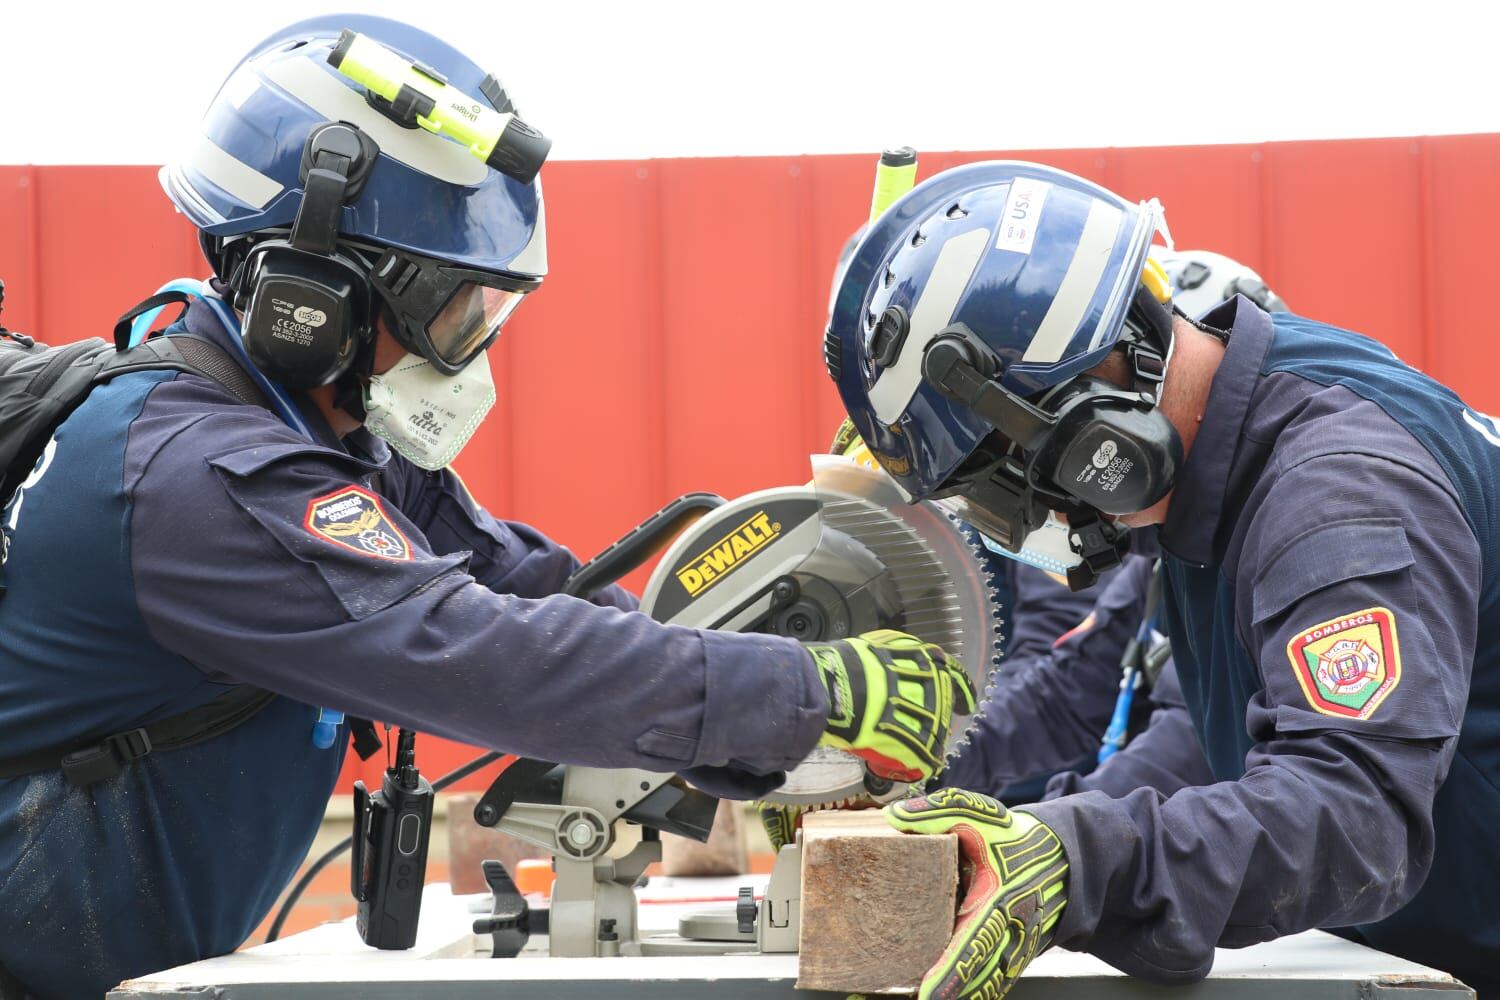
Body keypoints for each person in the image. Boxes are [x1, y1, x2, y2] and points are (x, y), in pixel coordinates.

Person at [0, 18, 975, 999]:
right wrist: (807, 692)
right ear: (312, 294)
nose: (466, 358)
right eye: (457, 315)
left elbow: (532, 589)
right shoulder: (200, 478)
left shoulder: (310, 430)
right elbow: (484, 653)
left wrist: (758, 742)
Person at [827, 160, 1498, 998]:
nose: (1018, 524)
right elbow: (1088, 695)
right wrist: (919, 781)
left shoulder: (1334, 498)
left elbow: (1356, 815)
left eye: (998, 483)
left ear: (1087, 416)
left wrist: (1073, 860)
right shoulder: (1225, 460)